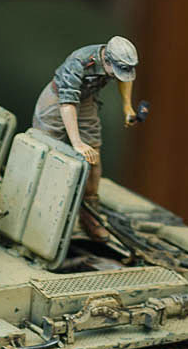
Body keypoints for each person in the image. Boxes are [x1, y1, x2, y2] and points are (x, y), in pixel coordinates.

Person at [33, 37, 140, 241]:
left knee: (93, 158)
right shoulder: (80, 61)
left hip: (85, 99)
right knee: (44, 151)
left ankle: (89, 215)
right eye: (117, 69)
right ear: (107, 61)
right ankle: (38, 211)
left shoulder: (115, 64)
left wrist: (127, 105)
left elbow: (125, 78)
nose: (119, 74)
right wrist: (77, 143)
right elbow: (67, 103)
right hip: (58, 99)